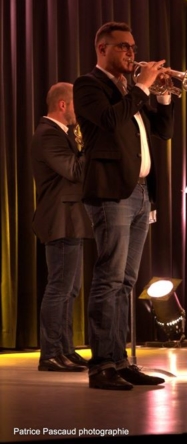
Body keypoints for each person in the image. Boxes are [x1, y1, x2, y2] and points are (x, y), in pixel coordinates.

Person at [73, 21, 175, 390]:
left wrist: (162, 95)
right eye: (123, 47)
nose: (132, 54)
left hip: (140, 192)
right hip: (112, 193)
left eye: (133, 47)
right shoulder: (89, 86)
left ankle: (120, 360)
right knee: (109, 278)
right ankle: (101, 366)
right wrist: (143, 87)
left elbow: (163, 133)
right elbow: (108, 122)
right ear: (102, 49)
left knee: (126, 281)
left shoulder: (130, 90)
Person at [31, 82, 93, 372]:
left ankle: (65, 349)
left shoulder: (59, 133)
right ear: (63, 105)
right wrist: (91, 144)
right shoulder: (47, 134)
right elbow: (75, 170)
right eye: (76, 105)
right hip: (61, 219)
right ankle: (51, 353)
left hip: (70, 219)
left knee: (70, 289)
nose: (79, 112)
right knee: (59, 288)